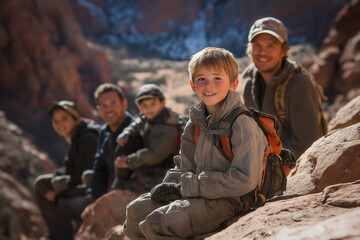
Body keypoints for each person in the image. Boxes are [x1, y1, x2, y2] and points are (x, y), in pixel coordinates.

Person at [123, 47, 268, 239]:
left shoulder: (241, 123)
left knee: (158, 222)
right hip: (199, 193)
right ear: (193, 85)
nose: (209, 85)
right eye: (202, 79)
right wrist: (170, 187)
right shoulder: (195, 123)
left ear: (233, 84)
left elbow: (245, 180)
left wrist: (189, 188)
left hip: (231, 199)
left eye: (217, 78)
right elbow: (185, 165)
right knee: (134, 212)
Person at [47, 83, 136, 240]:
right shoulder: (103, 132)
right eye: (104, 106)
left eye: (113, 104)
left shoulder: (135, 130)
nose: (109, 109)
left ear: (124, 104)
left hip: (130, 197)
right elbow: (98, 168)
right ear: (99, 109)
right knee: (64, 208)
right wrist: (93, 199)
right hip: (105, 196)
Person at [241, 17, 324, 158]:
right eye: (257, 46)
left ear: (283, 50)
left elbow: (306, 145)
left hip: (290, 171)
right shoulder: (249, 83)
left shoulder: (299, 85)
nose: (263, 52)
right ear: (250, 49)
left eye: (271, 46)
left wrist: (262, 159)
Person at [34, 101, 98, 238]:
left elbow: (88, 181)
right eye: (55, 121)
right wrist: (57, 178)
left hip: (91, 191)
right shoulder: (76, 136)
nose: (59, 124)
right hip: (77, 182)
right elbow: (70, 169)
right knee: (42, 184)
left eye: (64, 119)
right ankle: (56, 232)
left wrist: (59, 194)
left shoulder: (87, 139)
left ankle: (61, 235)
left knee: (61, 204)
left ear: (76, 119)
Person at [113, 83, 182, 193]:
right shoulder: (149, 117)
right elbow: (137, 123)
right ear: (140, 108)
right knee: (128, 141)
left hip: (169, 165)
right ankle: (121, 182)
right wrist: (126, 133)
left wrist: (128, 161)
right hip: (153, 160)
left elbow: (154, 155)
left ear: (163, 103)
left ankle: (127, 186)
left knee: (147, 181)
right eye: (144, 105)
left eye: (153, 104)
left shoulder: (168, 128)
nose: (149, 108)